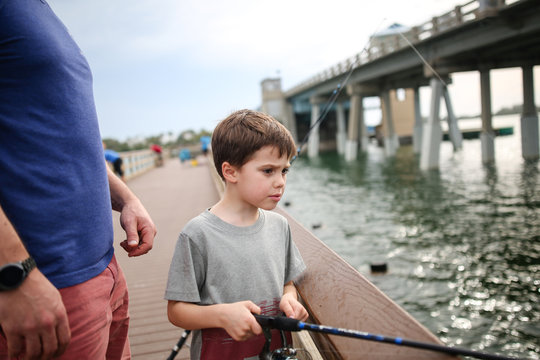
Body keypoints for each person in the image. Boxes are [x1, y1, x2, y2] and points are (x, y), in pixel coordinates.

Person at [0, 1, 157, 359]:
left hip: (102, 268)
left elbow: (67, 134)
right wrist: (13, 276)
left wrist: (126, 198)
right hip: (45, 283)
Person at [165, 109, 308, 359]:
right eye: (268, 171)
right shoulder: (197, 234)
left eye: (284, 171)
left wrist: (289, 299)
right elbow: (177, 310)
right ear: (230, 172)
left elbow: (288, 283)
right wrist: (221, 315)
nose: (280, 181)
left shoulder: (279, 226)